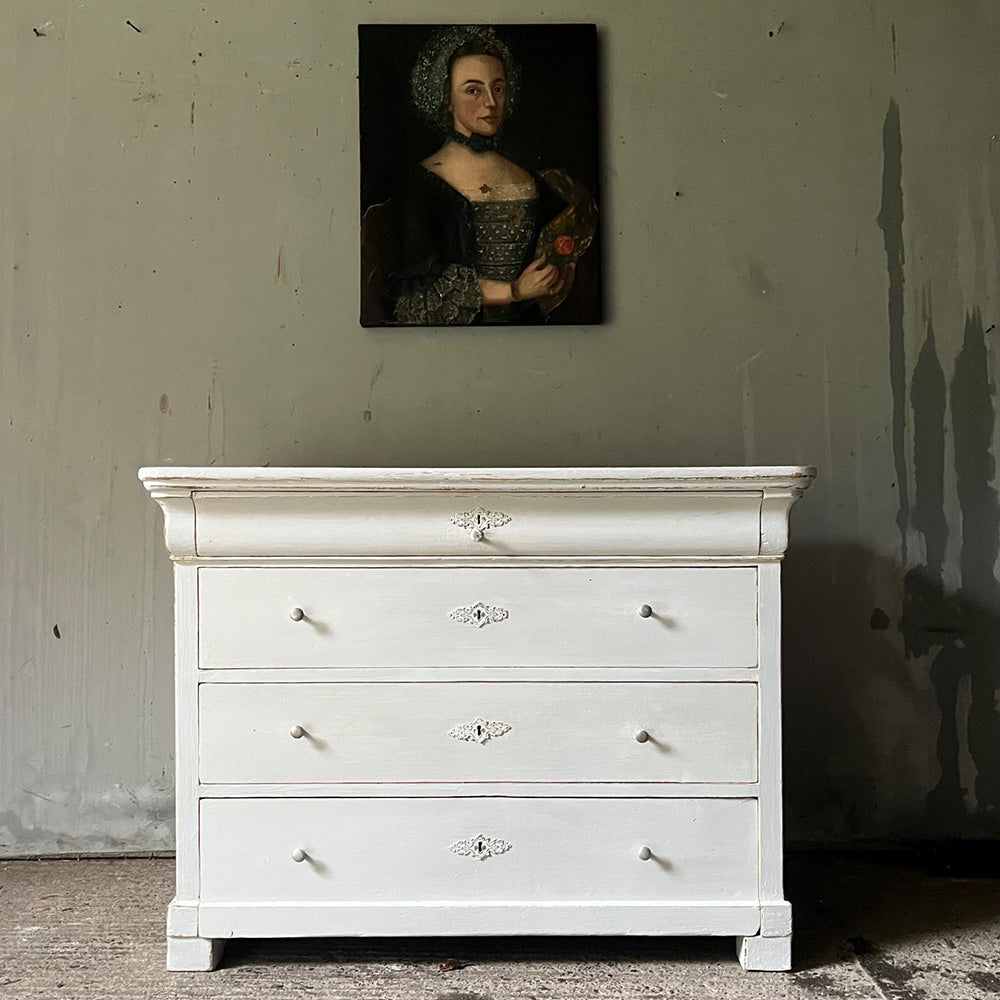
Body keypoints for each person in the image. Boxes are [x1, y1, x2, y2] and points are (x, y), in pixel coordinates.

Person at [382, 26, 594, 325]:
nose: (491, 103)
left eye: (498, 88)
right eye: (473, 90)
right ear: (446, 97)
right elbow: (418, 294)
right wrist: (514, 291)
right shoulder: (422, 184)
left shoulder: (533, 181)